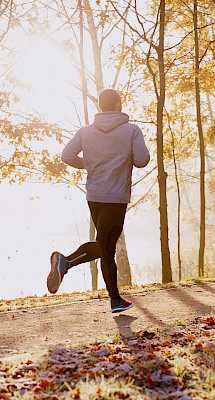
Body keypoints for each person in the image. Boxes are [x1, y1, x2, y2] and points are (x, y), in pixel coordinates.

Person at [47, 88, 150, 313]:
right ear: (119, 105)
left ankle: (113, 298)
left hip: (94, 196)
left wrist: (91, 163)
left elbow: (67, 156)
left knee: (106, 246)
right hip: (116, 197)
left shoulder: (86, 132)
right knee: (106, 246)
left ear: (101, 107)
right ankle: (69, 263)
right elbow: (142, 160)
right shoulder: (131, 130)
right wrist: (123, 158)